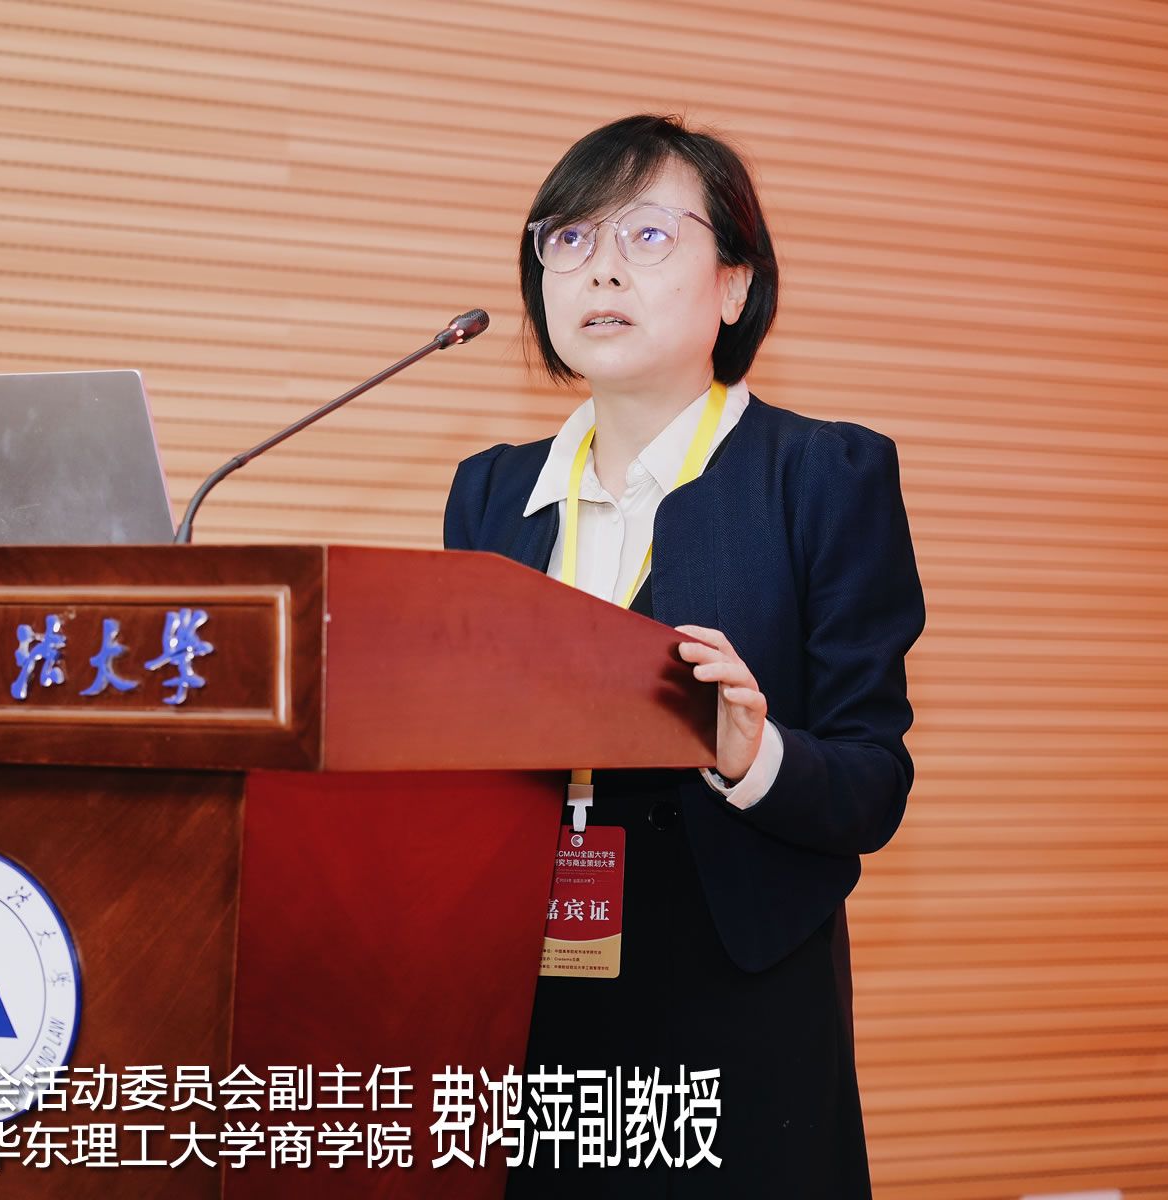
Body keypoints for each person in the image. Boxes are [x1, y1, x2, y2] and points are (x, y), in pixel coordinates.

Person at [444, 114, 925, 1197]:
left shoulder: (819, 476)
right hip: (524, 989)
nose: (602, 268)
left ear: (734, 285)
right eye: (570, 237)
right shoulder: (491, 492)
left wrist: (754, 754)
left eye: (649, 234)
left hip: (737, 1003)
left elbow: (873, 781)